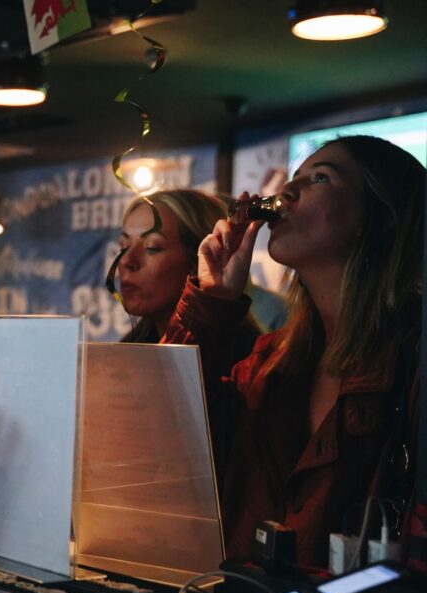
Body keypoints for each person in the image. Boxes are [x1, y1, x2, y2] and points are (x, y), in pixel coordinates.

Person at [162, 136, 425, 570]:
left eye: (320, 178)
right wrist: (212, 300)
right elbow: (164, 436)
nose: (285, 193)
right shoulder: (270, 361)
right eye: (293, 178)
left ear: (377, 216)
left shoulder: (414, 355)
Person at [117, 189, 261, 364]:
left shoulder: (249, 364)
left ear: (201, 261)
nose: (126, 261)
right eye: (123, 246)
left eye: (152, 247)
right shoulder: (124, 356)